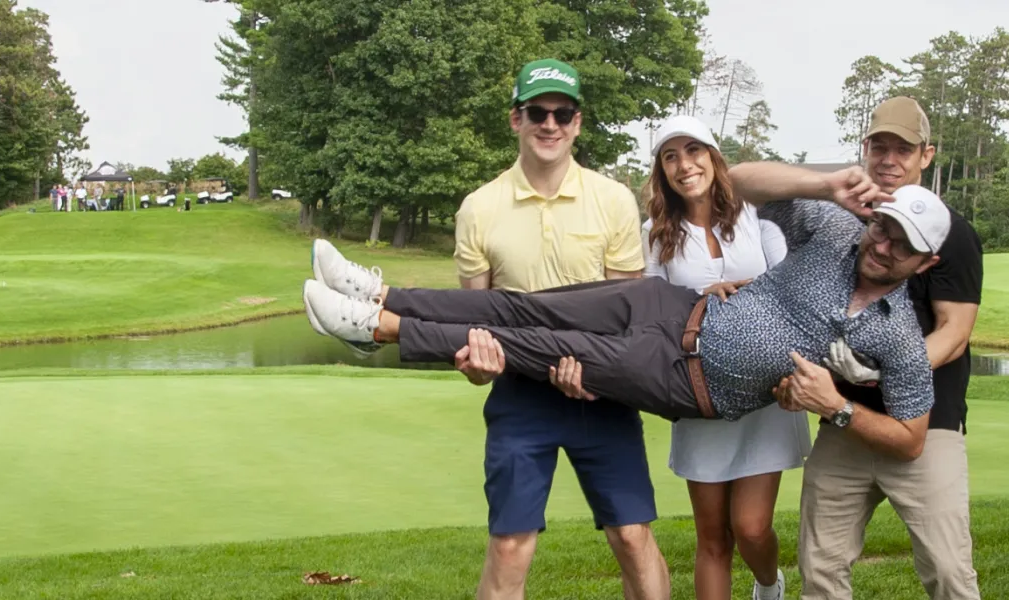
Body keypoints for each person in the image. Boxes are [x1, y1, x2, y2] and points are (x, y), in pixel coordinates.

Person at [299, 174, 948, 435]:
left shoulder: (896, 337)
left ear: (927, 264)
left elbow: (912, 437)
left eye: (903, 244)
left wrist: (835, 407)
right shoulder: (837, 230)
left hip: (681, 377)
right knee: (520, 309)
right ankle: (379, 292)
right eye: (883, 226)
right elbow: (741, 180)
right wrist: (825, 185)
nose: (883, 244)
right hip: (671, 305)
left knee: (531, 348)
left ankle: (377, 330)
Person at [364, 58, 671, 600]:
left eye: (562, 113)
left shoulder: (614, 200)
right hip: (521, 396)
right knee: (510, 545)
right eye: (537, 112)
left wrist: (598, 375)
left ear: (578, 122)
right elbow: (474, 321)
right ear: (516, 119)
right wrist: (475, 368)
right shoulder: (479, 208)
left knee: (631, 534)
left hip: (600, 395)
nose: (549, 124)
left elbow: (630, 317)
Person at [733, 96, 984, 599]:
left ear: (926, 156)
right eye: (880, 146)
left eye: (904, 150)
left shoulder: (951, 234)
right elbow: (737, 182)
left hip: (925, 426)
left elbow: (954, 334)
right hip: (841, 424)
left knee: (949, 573)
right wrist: (824, 184)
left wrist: (878, 375)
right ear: (865, 148)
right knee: (821, 571)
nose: (890, 160)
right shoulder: (840, 212)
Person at [596, 115, 810, 600]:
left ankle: (768, 585)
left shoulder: (758, 218)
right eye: (670, 156)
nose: (683, 164)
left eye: (693, 151)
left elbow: (788, 289)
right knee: (713, 537)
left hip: (765, 395)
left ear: (714, 157)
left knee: (752, 528)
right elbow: (646, 316)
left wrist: (739, 291)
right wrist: (699, 301)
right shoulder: (654, 234)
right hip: (697, 396)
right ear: (661, 171)